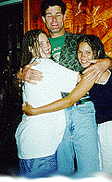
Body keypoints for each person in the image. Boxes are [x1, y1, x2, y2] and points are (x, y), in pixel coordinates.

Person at [16, 0, 112, 176]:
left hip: (82, 108)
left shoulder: (79, 40)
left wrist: (106, 62)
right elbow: (23, 80)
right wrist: (19, 75)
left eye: (58, 15)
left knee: (89, 167)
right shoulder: (37, 46)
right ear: (44, 19)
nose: (54, 20)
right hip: (54, 114)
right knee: (61, 169)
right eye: (49, 16)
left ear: (64, 17)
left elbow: (111, 63)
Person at [23, 34, 112, 177]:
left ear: (97, 53)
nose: (82, 56)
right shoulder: (94, 70)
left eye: (88, 52)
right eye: (79, 52)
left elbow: (70, 100)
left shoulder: (93, 71)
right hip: (106, 128)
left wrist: (35, 111)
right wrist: (20, 74)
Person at [15, 29, 80, 178]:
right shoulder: (45, 64)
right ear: (31, 49)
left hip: (31, 143)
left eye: (47, 42)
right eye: (41, 43)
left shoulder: (31, 65)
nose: (47, 46)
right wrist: (102, 65)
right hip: (40, 145)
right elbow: (79, 79)